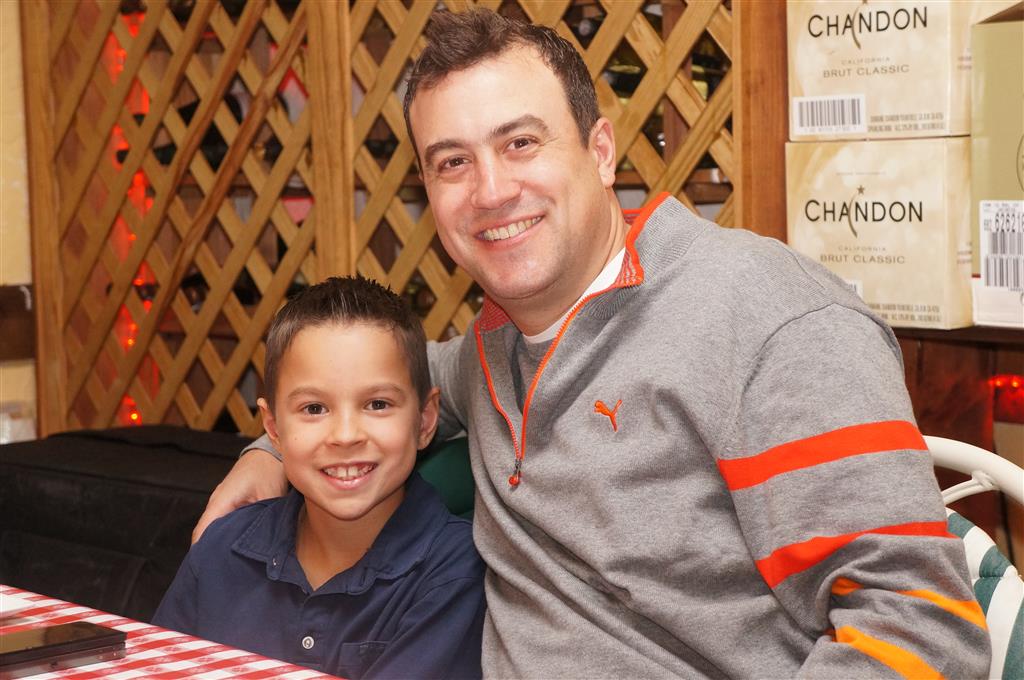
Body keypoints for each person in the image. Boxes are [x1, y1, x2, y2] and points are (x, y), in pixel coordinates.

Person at [196, 9, 989, 679]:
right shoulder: (493, 347)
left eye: (520, 143)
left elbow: (922, 628)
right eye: (452, 162)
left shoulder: (767, 320)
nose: (491, 190)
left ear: (601, 152)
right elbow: (387, 383)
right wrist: (265, 453)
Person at [155, 275, 486, 679]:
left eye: (377, 404)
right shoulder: (221, 548)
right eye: (314, 408)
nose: (345, 435)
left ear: (425, 420)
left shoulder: (456, 573)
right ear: (273, 429)